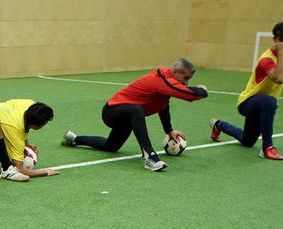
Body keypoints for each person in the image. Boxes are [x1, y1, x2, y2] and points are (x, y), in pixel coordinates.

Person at [61, 59, 208, 172]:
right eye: (185, 78)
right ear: (175, 71)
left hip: (126, 117)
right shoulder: (163, 80)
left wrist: (169, 130)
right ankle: (150, 157)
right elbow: (191, 95)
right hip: (112, 112)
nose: (186, 82)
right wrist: (202, 90)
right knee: (137, 110)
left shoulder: (167, 83)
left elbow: (163, 105)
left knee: (111, 146)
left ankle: (73, 139)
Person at [210, 22, 283, 160]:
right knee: (270, 102)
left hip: (261, 104)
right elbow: (279, 78)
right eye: (280, 40)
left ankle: (218, 124)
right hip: (247, 102)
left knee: (248, 140)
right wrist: (281, 52)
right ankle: (267, 148)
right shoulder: (267, 59)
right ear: (274, 39)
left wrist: (282, 53)